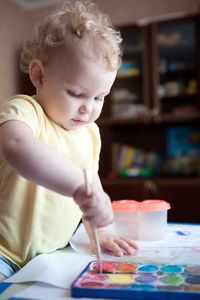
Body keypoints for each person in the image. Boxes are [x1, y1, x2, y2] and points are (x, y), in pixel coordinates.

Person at [0, 0, 138, 281]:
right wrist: (76, 186)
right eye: (77, 93)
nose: (89, 108)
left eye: (99, 97)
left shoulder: (90, 133)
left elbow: (91, 186)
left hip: (51, 257)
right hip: (4, 252)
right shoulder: (26, 111)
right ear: (39, 75)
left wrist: (100, 231)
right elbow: (15, 145)